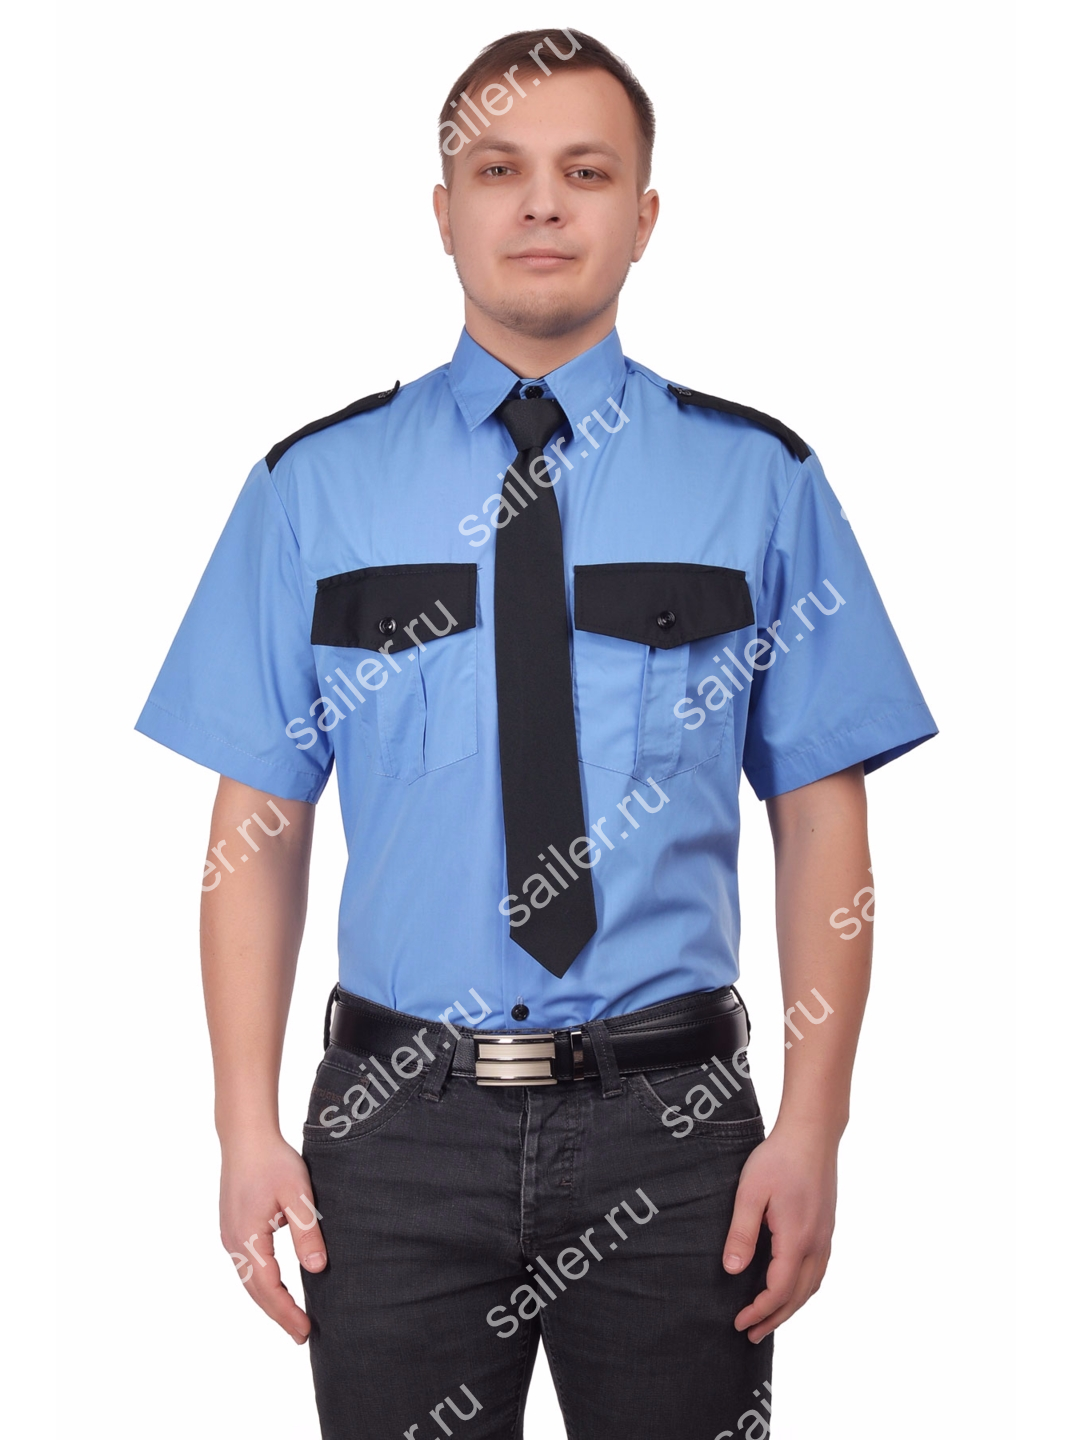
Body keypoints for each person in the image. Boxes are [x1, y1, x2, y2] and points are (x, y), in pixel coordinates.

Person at [136, 27, 937, 1440]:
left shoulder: (759, 480)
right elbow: (256, 824)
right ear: (442, 210)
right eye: (498, 170)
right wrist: (241, 1125)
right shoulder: (311, 488)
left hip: (675, 1130)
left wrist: (813, 1126)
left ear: (645, 214)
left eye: (586, 171)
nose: (542, 204)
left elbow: (822, 817)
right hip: (393, 1135)